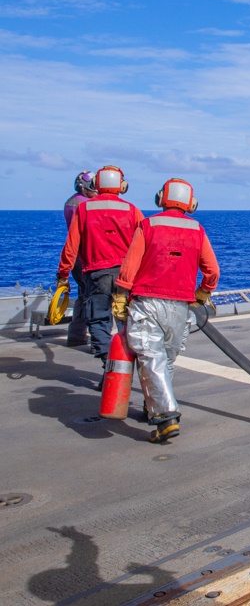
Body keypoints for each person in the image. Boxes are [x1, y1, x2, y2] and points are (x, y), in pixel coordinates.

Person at [112, 178, 219, 443]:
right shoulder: (197, 229)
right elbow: (212, 270)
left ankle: (167, 415)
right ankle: (153, 409)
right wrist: (202, 293)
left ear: (161, 199)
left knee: (151, 358)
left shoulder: (148, 226)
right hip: (180, 308)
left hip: (147, 302)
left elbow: (130, 265)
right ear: (190, 204)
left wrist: (121, 295)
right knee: (165, 360)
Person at [56, 166, 143, 369]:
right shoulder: (132, 210)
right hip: (127, 275)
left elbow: (71, 247)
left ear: (96, 185)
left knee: (98, 321)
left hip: (97, 275)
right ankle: (125, 365)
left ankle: (109, 364)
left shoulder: (83, 209)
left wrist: (63, 274)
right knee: (128, 321)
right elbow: (144, 244)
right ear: (122, 187)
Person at [62, 171, 97, 346]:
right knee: (96, 296)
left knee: (83, 294)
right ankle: (99, 341)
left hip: (76, 255)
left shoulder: (71, 202)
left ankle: (76, 335)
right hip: (87, 255)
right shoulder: (86, 206)